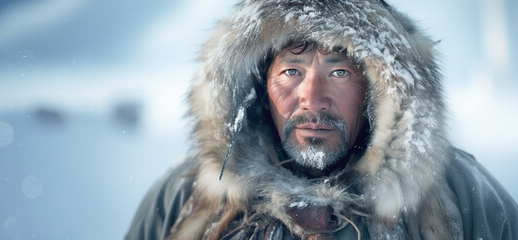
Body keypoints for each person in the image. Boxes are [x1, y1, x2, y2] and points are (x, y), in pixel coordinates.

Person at [126, 0, 518, 239]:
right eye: (291, 72)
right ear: (259, 86)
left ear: (377, 92)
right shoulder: (186, 196)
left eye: (339, 73)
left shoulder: (463, 195)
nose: (313, 99)